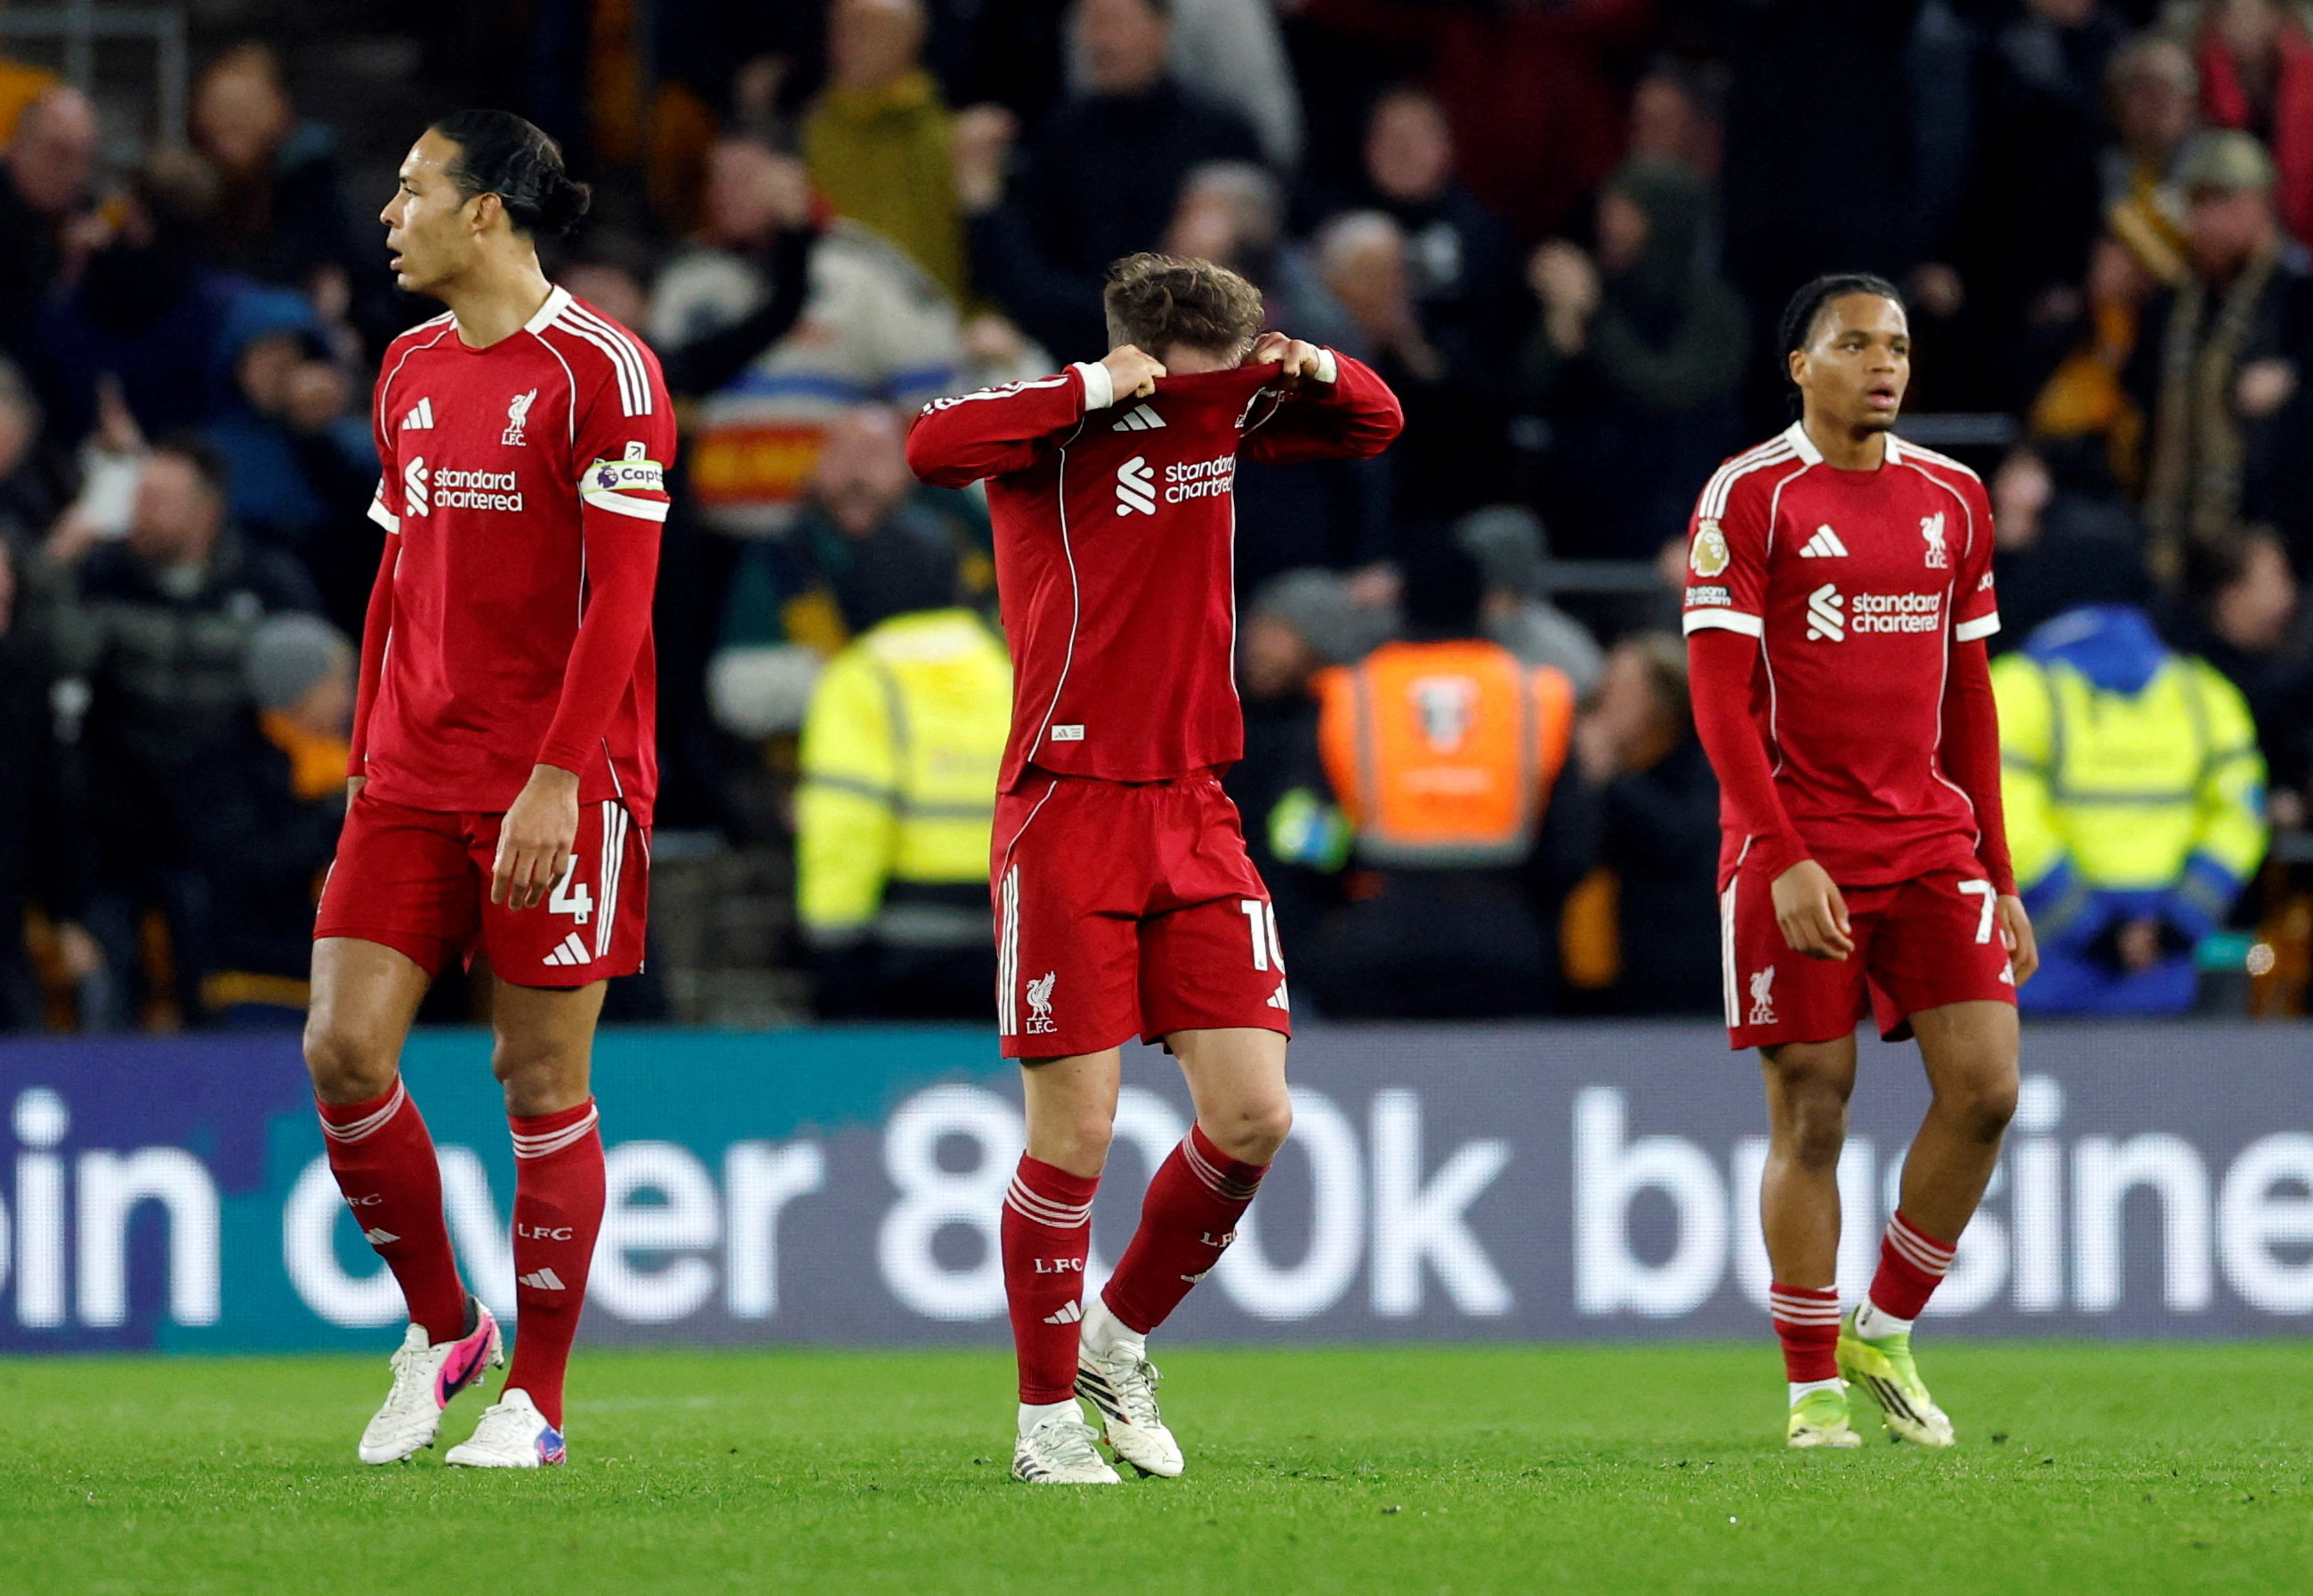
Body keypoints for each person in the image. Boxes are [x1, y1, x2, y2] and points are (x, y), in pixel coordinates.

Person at [906, 252, 1399, 1484]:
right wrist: (1087, 386)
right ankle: (1041, 1423)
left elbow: (1377, 422)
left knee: (1254, 1113)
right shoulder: (1048, 435)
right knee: (1074, 1127)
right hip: (1066, 810)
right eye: (1206, 382)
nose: (1219, 408)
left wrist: (1313, 363)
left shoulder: (1226, 410)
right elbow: (929, 448)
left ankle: (1114, 1339)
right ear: (1147, 359)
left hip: (1196, 802)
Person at [304, 110, 673, 1471]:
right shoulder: (403, 366)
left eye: (412, 191)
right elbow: (397, 585)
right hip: (408, 773)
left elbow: (623, 607)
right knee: (342, 1052)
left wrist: (556, 781)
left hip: (559, 786)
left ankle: (541, 1401)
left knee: (538, 1080)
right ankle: (448, 1324)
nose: (389, 216)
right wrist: (361, 768)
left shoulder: (606, 375)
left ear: (487, 214)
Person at [1682, 273, 2040, 1451]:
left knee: (1986, 1088)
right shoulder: (1752, 496)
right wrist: (1779, 854)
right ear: (1802, 365)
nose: (1883, 364)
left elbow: (1970, 696)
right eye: (1854, 343)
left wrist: (1998, 864)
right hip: (1798, 841)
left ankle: (1881, 1328)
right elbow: (1720, 702)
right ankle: (1810, 1388)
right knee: (1814, 1110)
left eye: (1895, 346)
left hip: (1930, 839)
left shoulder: (1956, 498)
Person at [55, 436, 321, 1027]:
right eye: (139, 497)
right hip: (118, 825)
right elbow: (50, 664)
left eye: (160, 500)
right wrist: (57, 567)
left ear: (208, 508)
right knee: (110, 988)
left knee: (212, 992)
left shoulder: (267, 580)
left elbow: (317, 690)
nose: (140, 514)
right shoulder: (100, 576)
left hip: (225, 829)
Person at [1304, 543, 1578, 1020]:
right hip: (1503, 929)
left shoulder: (1350, 694)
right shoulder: (1537, 694)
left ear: (1403, 601)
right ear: (1482, 602)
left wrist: (1334, 896)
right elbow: (1574, 839)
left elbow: (1302, 825)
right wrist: (1530, 908)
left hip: (1376, 928)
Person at [1992, 601, 2267, 1015]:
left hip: (2040, 967)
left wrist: (2091, 927)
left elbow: (2000, 816)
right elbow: (2242, 816)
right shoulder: (2204, 693)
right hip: (2164, 967)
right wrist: (2182, 920)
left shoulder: (2017, 688)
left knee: (2032, 1080)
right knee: (2162, 1078)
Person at [955, 0, 1264, 359]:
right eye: (1090, 25)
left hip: (1200, 337)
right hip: (1080, 342)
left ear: (1161, 29)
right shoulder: (1060, 136)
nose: (1099, 42)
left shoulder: (1220, 131)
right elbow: (1029, 278)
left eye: (1115, 23)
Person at [794, 518, 1010, 1018]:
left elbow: (846, 820)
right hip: (1011, 933)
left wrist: (831, 939)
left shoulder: (861, 678)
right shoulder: (1005, 668)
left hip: (904, 944)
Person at [2129, 129, 2313, 573]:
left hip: (2275, 533)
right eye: (2195, 207)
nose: (2200, 224)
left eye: (2217, 205)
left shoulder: (2298, 291)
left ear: (2258, 205)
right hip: (2177, 523)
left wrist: (2295, 377)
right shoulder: (2177, 303)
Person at [186, 613, 356, 1026]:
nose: (349, 699)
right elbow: (250, 865)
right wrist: (336, 814)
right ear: (300, 690)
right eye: (337, 683)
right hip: (258, 977)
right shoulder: (233, 766)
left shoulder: (348, 758)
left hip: (349, 975)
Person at [1567, 632, 1721, 1017]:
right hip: (1607, 964)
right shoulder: (1601, 771)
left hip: (1689, 968)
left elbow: (1684, 840)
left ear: (1662, 703)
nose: (1604, 703)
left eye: (1620, 690)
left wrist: (1611, 778)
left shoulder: (1705, 764)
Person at [803, 0, 968, 302]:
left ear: (910, 39)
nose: (847, 43)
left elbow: (983, 254)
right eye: (841, 29)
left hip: (938, 323)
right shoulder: (804, 139)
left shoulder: (951, 142)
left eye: (868, 31)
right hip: (834, 320)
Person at [0, 86, 98, 362]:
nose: (75, 172)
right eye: (59, 154)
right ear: (18, 147)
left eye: (86, 156)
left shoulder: (83, 210)